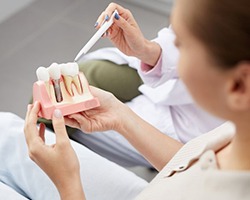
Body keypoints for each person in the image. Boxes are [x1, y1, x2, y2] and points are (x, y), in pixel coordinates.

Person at [24, 0, 250, 199]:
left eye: (181, 44)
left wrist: (69, 185)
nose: (175, 51)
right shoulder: (232, 136)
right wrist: (121, 117)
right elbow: (190, 165)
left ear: (238, 86)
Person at [39, 6, 224, 168]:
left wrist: (120, 116)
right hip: (170, 80)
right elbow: (186, 37)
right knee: (86, 74)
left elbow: (189, 167)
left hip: (190, 128)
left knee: (59, 119)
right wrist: (147, 50)